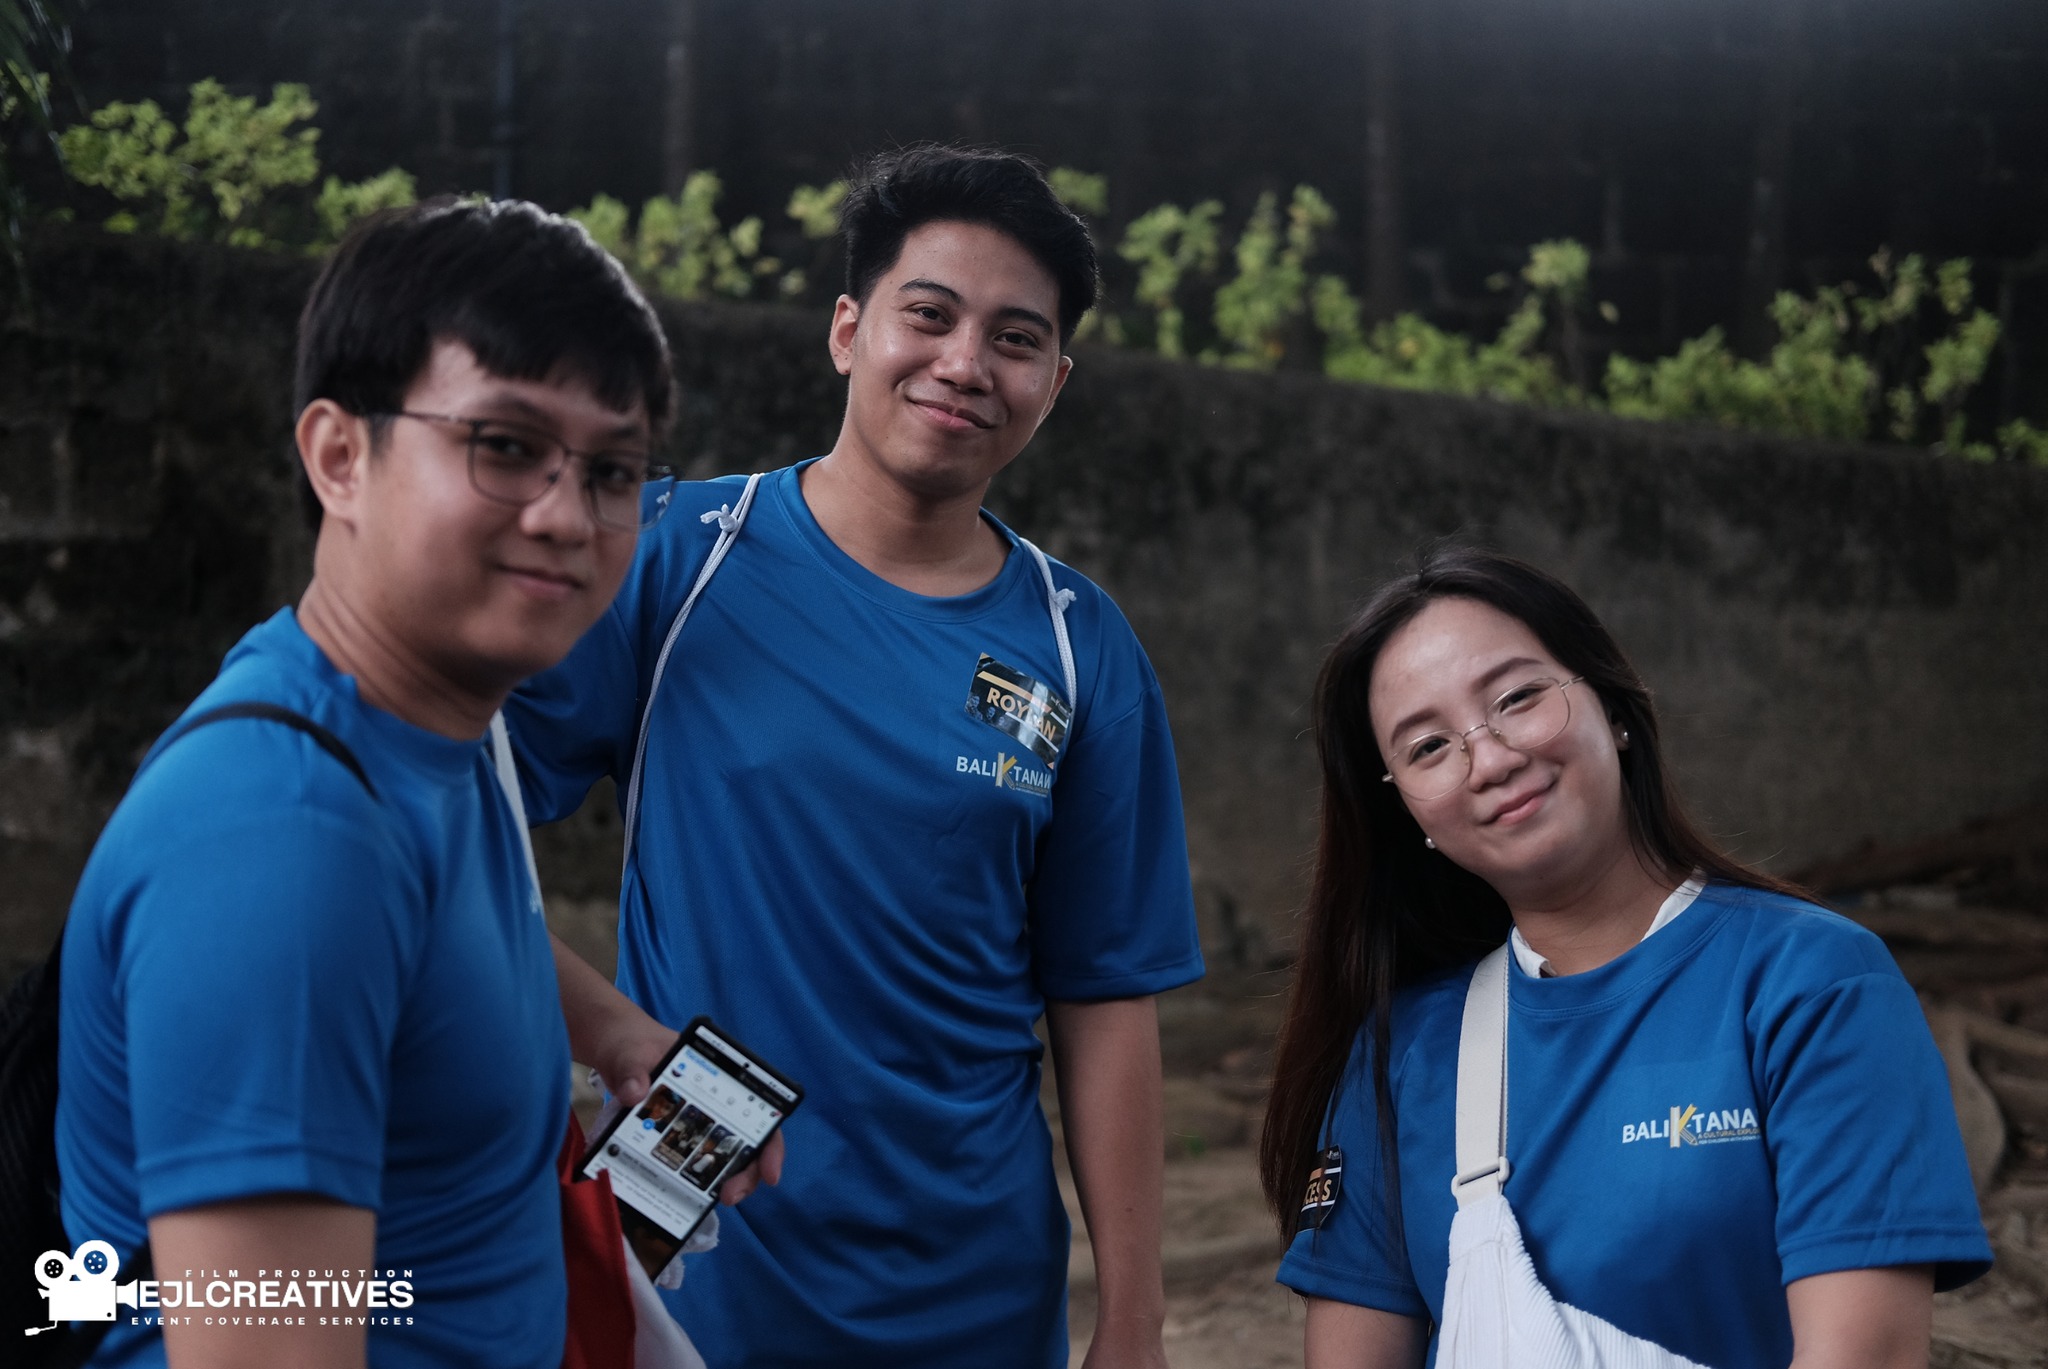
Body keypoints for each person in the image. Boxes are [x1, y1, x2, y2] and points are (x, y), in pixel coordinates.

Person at [507, 144, 1205, 1368]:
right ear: (845, 329)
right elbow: (445, 821)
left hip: (973, 1279)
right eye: (926, 315)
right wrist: (614, 1031)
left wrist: (1133, 1320)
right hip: (691, 1246)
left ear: (1053, 380)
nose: (963, 364)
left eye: (1015, 339)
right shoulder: (673, 559)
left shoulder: (1076, 644)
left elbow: (1103, 996)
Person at [55, 196, 720, 1369]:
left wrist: (612, 1029)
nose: (568, 516)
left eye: (612, 470)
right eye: (506, 446)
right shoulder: (283, 838)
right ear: (339, 456)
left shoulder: (430, 737)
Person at [1259, 545, 1991, 1368]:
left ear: (1611, 704)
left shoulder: (1812, 981)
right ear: (1410, 816)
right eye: (1428, 747)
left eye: (1518, 697)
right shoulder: (1399, 1054)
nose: (1491, 759)